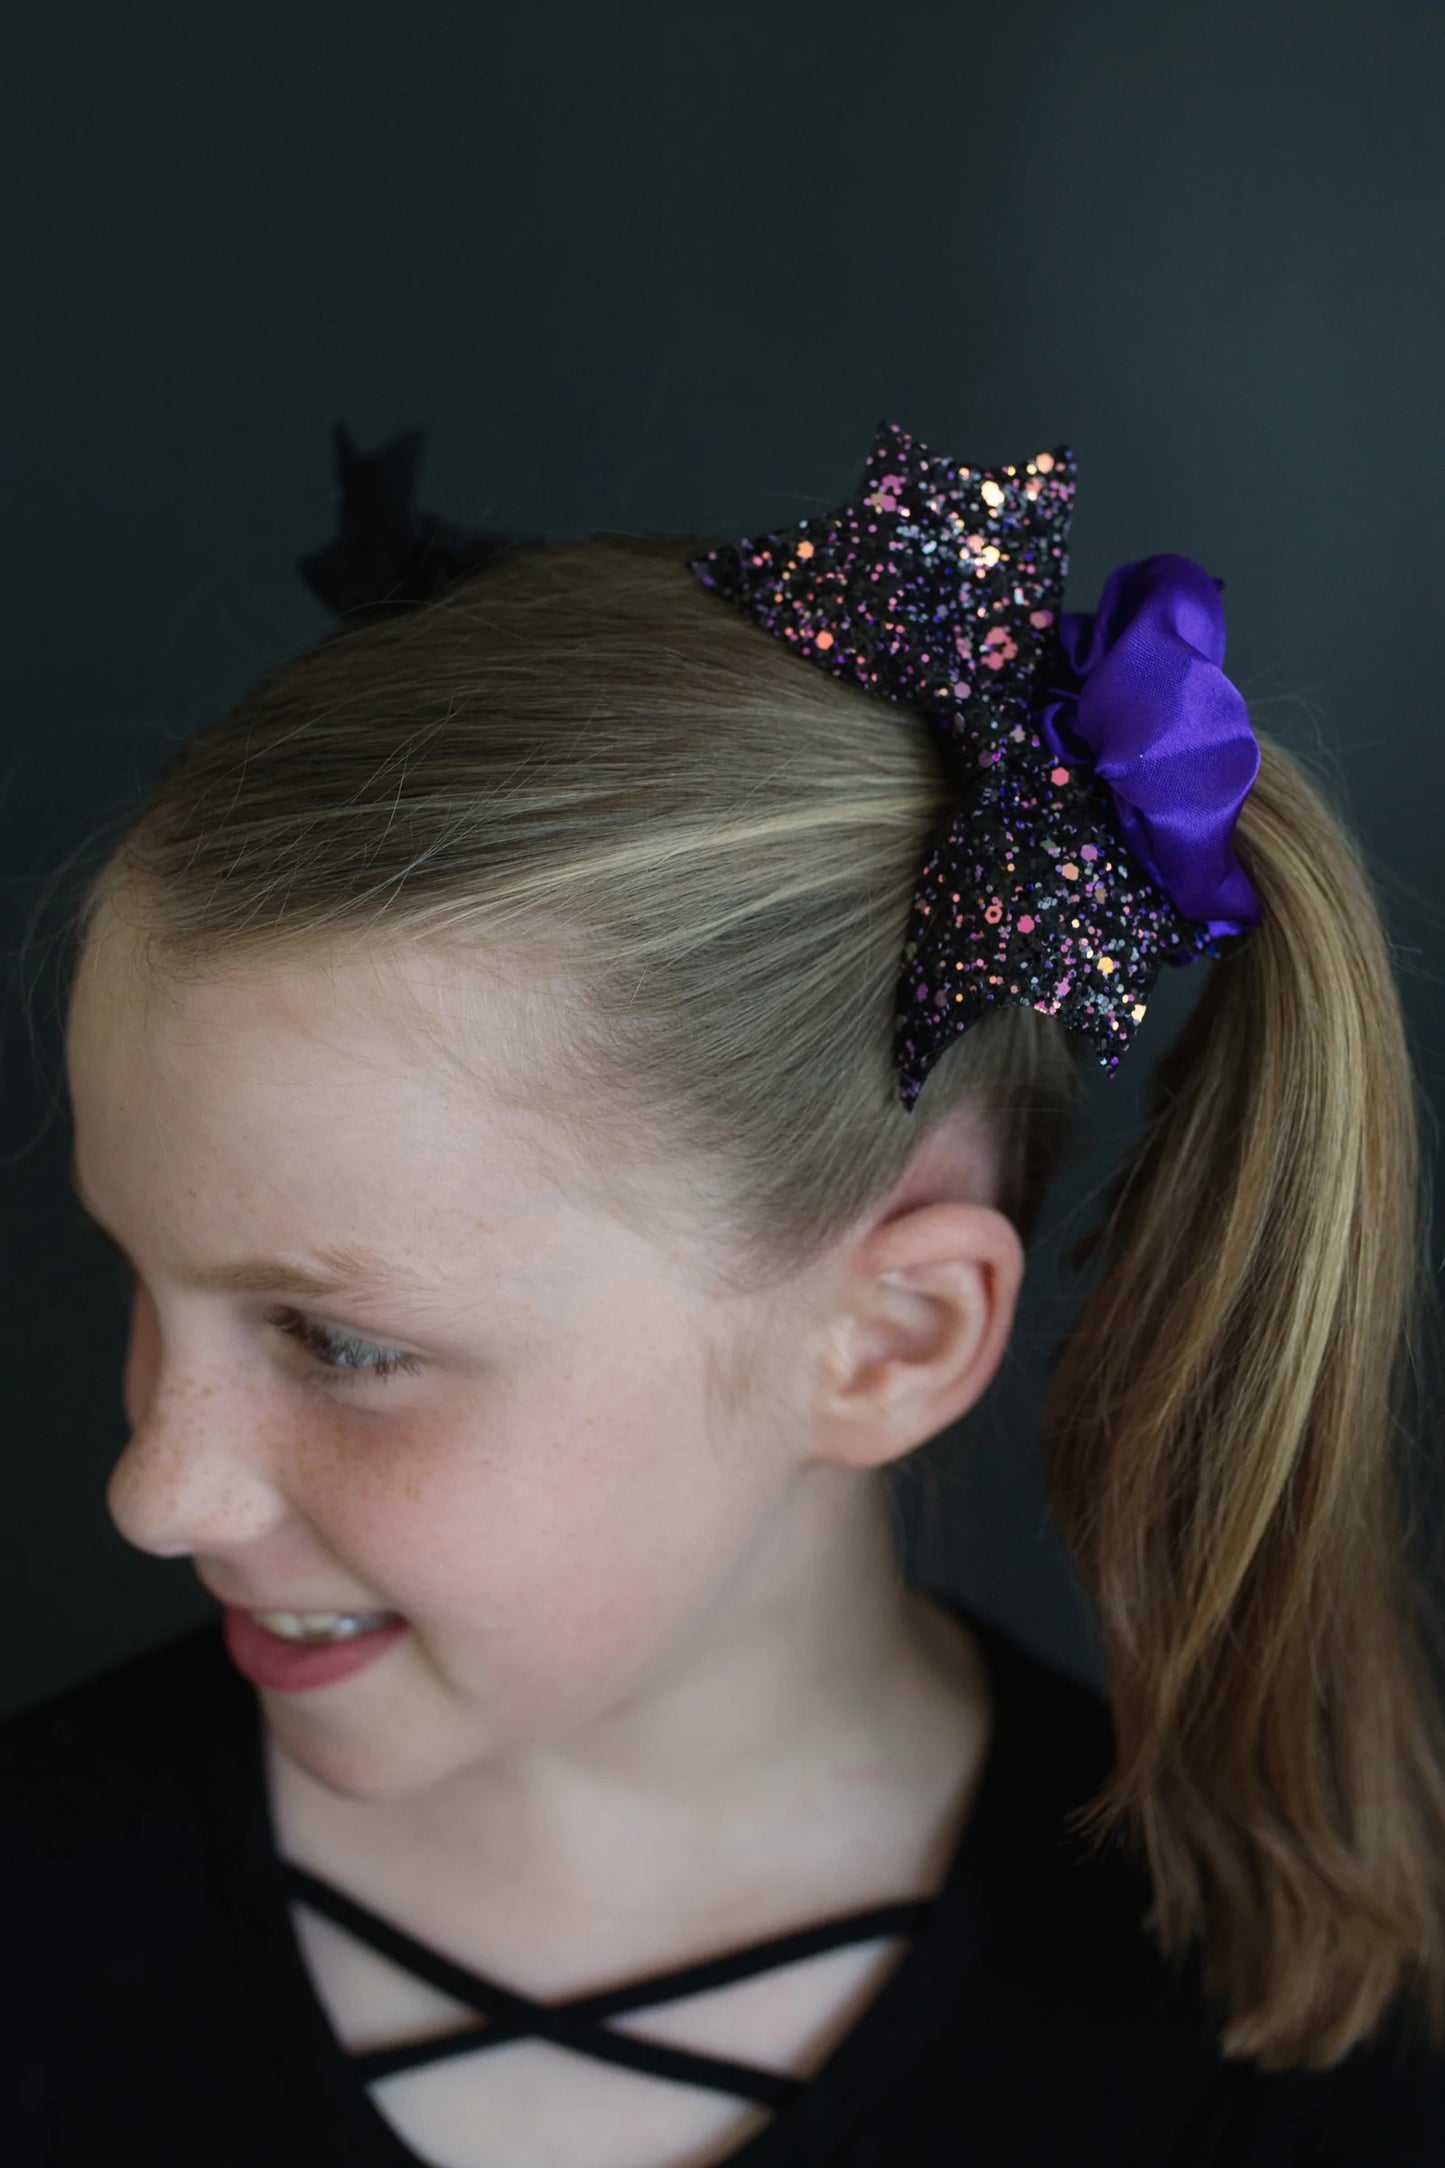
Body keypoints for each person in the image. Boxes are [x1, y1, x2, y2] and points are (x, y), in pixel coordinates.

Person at [5, 419, 1445, 2167]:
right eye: (138, 1276)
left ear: (888, 1343)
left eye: (342, 1343)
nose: (158, 1492)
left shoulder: (1273, 2073)